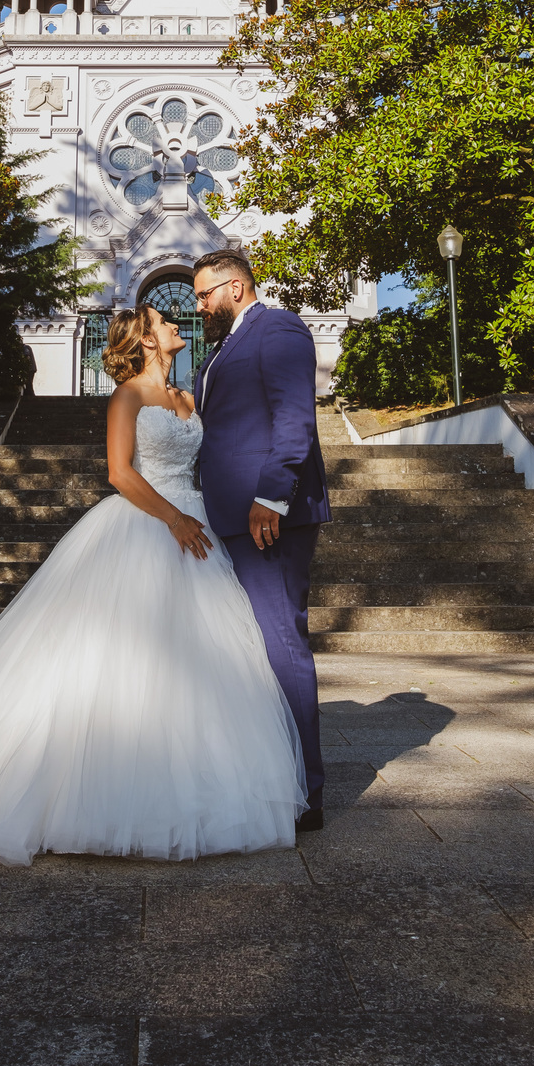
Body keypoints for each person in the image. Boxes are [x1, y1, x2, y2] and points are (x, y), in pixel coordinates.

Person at [0, 304, 305, 866]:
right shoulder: (128, 397)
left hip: (200, 528)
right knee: (117, 661)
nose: (176, 324)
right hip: (148, 525)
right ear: (146, 340)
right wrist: (172, 518)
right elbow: (120, 473)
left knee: (207, 658)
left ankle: (203, 790)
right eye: (164, 321)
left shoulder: (192, 399)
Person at [191, 252, 330, 831]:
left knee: (280, 644)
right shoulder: (226, 345)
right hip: (228, 516)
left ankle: (304, 792)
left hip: (266, 515)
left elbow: (293, 416)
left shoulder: (278, 328)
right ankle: (269, 772)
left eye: (204, 296)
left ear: (236, 286)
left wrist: (272, 496)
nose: (198, 307)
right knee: (250, 647)